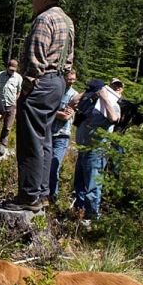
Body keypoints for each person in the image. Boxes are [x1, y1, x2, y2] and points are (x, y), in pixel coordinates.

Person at [5, 0, 74, 213]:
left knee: (30, 140)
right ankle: (42, 193)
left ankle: (28, 195)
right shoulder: (67, 21)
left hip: (41, 83)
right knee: (44, 139)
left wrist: (26, 89)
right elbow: (69, 58)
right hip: (57, 83)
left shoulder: (44, 19)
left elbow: (35, 59)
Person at [73, 79, 121, 221]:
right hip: (83, 149)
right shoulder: (89, 103)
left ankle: (92, 216)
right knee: (79, 183)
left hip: (96, 150)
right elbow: (73, 102)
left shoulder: (111, 104)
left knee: (92, 186)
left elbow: (114, 118)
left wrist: (104, 97)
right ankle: (80, 212)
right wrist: (85, 93)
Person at [47, 70, 78, 203]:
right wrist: (57, 112)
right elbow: (46, 109)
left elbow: (66, 117)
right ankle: (43, 193)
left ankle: (53, 195)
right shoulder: (55, 91)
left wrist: (52, 112)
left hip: (62, 135)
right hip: (48, 132)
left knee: (55, 165)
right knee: (45, 164)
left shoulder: (74, 95)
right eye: (69, 79)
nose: (71, 82)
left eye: (73, 79)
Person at [0, 59, 22, 155]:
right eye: (10, 69)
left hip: (11, 105)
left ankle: (2, 144)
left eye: (14, 70)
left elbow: (19, 91)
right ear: (7, 67)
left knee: (7, 127)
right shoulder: (0, 75)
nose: (12, 71)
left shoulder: (18, 78)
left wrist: (15, 102)